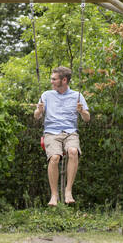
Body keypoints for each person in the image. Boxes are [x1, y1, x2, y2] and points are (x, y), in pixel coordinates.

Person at [34, 66, 90, 206]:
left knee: (72, 151)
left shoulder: (77, 96)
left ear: (64, 80)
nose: (51, 81)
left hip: (70, 132)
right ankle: (54, 195)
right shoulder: (46, 95)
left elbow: (87, 118)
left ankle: (68, 191)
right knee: (54, 158)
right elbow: (36, 116)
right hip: (51, 132)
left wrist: (82, 111)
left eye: (54, 79)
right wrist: (39, 111)